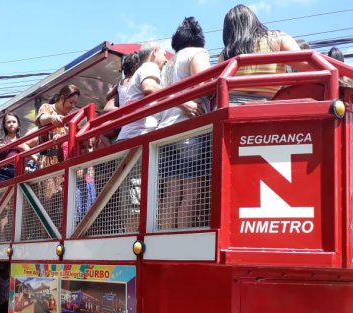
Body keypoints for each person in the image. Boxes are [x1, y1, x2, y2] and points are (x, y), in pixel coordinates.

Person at [157, 17, 211, 230]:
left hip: (165, 130)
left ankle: (165, 242)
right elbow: (204, 83)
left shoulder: (168, 64)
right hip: (188, 128)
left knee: (171, 194)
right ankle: (181, 242)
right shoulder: (197, 53)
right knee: (191, 192)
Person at [219, 4, 300, 103]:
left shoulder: (225, 54)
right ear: (253, 21)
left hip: (231, 106)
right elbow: (309, 66)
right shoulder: (278, 38)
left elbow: (218, 86)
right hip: (267, 106)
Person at [116, 41, 168, 141]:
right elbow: (149, 87)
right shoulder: (150, 66)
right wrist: (180, 102)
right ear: (155, 52)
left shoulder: (139, 72)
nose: (166, 60)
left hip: (129, 136)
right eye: (164, 54)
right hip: (137, 137)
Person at [0, 113, 30, 184]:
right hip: (3, 173)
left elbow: (29, 152)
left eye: (14, 122)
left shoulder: (21, 140)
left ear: (18, 124)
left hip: (18, 171)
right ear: (4, 125)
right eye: (8, 122)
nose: (11, 124)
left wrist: (21, 146)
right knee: (5, 192)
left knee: (19, 192)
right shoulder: (0, 139)